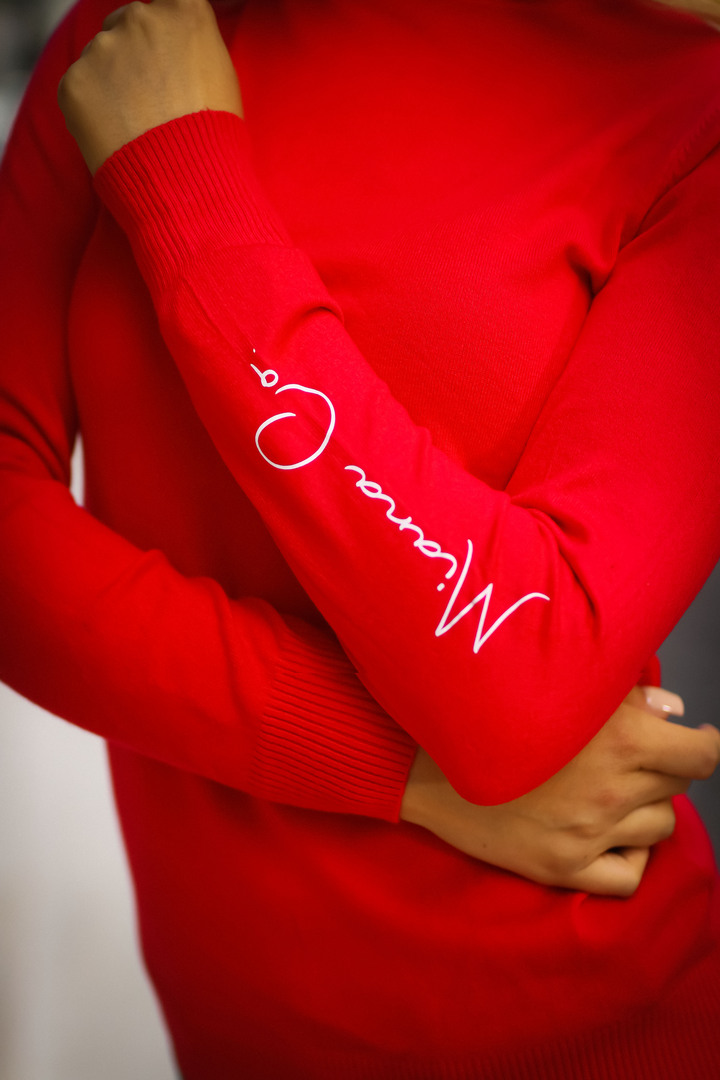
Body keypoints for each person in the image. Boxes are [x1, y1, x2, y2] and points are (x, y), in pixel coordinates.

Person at [1, 0, 720, 1075]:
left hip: (590, 1030)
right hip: (231, 1040)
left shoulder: (685, 116)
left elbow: (518, 681)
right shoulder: (132, 42)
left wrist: (187, 184)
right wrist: (407, 774)